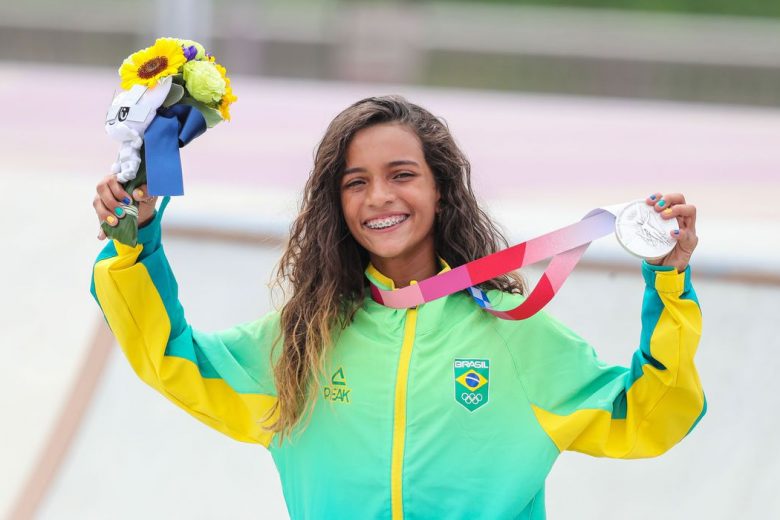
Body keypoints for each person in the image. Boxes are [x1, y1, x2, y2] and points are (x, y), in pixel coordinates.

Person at [90, 96, 705, 519]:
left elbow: (650, 415)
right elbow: (171, 356)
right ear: (338, 204)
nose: (379, 196)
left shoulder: (515, 337)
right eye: (356, 181)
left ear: (441, 188)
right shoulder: (303, 339)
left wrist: (668, 281)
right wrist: (135, 241)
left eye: (402, 174)